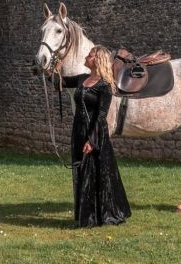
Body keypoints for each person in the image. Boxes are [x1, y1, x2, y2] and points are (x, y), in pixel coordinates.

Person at [62, 45, 131, 227]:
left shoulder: (105, 86)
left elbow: (101, 116)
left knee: (97, 172)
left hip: (96, 133)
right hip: (78, 130)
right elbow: (58, 82)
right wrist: (52, 66)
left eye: (90, 55)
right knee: (81, 171)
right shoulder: (82, 79)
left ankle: (101, 215)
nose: (87, 56)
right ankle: (86, 214)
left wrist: (92, 140)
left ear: (98, 59)